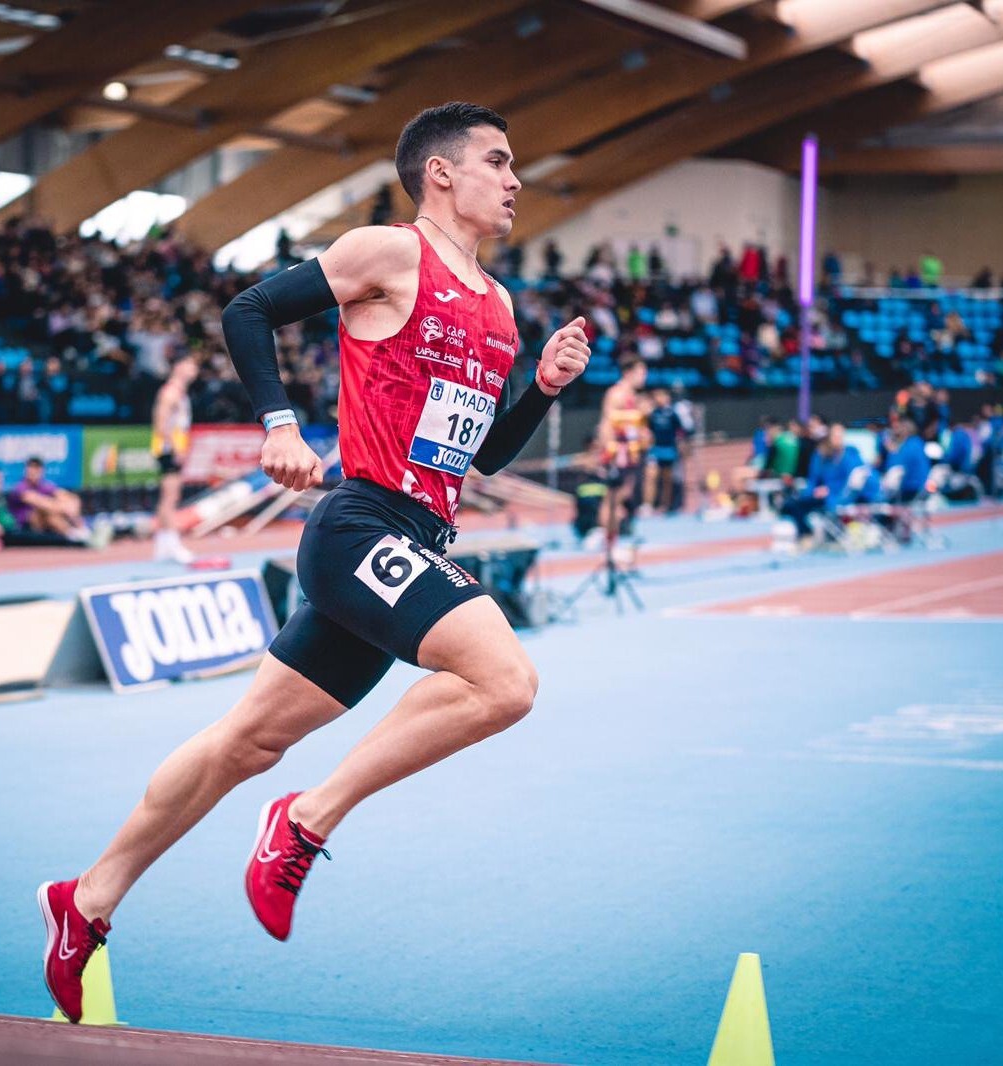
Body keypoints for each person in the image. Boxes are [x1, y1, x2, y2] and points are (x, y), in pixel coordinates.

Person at [37, 101, 590, 1024]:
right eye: (497, 160)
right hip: (360, 528)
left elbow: (485, 455)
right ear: (441, 173)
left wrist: (540, 386)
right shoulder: (390, 253)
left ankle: (85, 900)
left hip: (414, 540)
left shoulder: (497, 307)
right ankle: (306, 818)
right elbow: (249, 310)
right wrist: (279, 424)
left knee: (246, 742)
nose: (515, 179)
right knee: (505, 681)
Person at [594, 353, 651, 536]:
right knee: (613, 496)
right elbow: (606, 423)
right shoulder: (616, 394)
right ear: (628, 372)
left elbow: (633, 426)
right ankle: (605, 535)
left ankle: (612, 535)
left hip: (630, 451)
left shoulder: (633, 396)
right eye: (641, 373)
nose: (644, 377)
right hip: (618, 452)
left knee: (623, 493)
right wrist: (608, 451)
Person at [151, 353, 199, 564]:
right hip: (168, 449)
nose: (194, 370)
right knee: (170, 497)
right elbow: (161, 424)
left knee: (169, 496)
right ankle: (173, 542)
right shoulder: (170, 392)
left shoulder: (180, 392)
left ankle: (163, 544)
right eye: (190, 365)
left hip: (173, 447)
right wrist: (175, 448)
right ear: (178, 366)